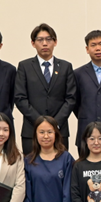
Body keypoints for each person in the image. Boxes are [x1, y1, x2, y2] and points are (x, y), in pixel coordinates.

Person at [15, 23, 77, 154]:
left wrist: (54, 123)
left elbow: (71, 98)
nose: (44, 43)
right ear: (33, 43)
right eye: (40, 40)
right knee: (32, 165)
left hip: (59, 130)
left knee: (61, 164)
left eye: (49, 39)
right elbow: (20, 98)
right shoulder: (24, 66)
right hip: (31, 130)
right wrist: (40, 123)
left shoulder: (65, 67)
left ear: (55, 42)